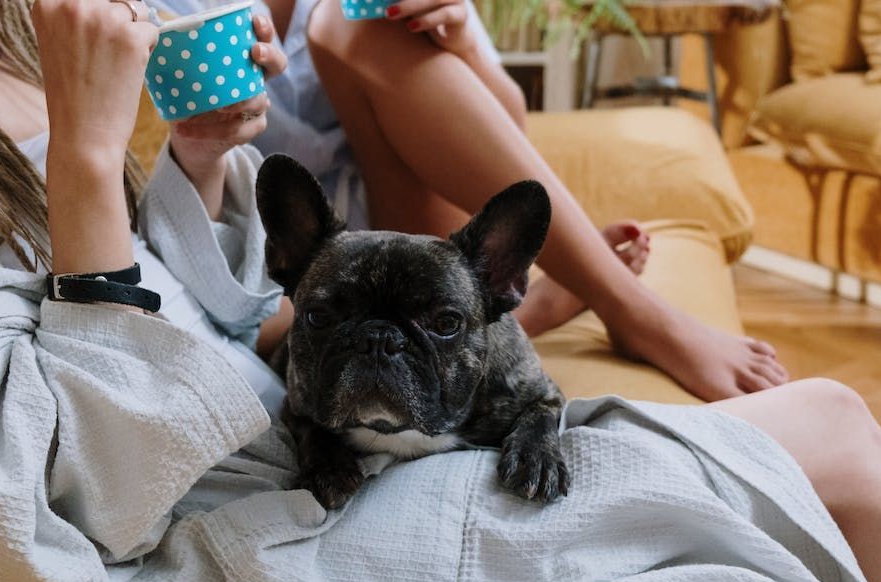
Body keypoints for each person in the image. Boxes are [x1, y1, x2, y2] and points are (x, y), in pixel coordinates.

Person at [0, 1, 881, 582]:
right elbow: (32, 490)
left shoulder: (4, 25)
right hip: (213, 547)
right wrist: (83, 160)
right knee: (834, 435)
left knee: (829, 433)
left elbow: (187, 326)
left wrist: (190, 169)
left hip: (274, 453)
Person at [246, 0, 787, 401]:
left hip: (426, 250)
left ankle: (630, 310)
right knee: (284, 306)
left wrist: (462, 42)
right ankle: (518, 314)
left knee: (353, 20)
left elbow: (510, 130)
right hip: (290, 267)